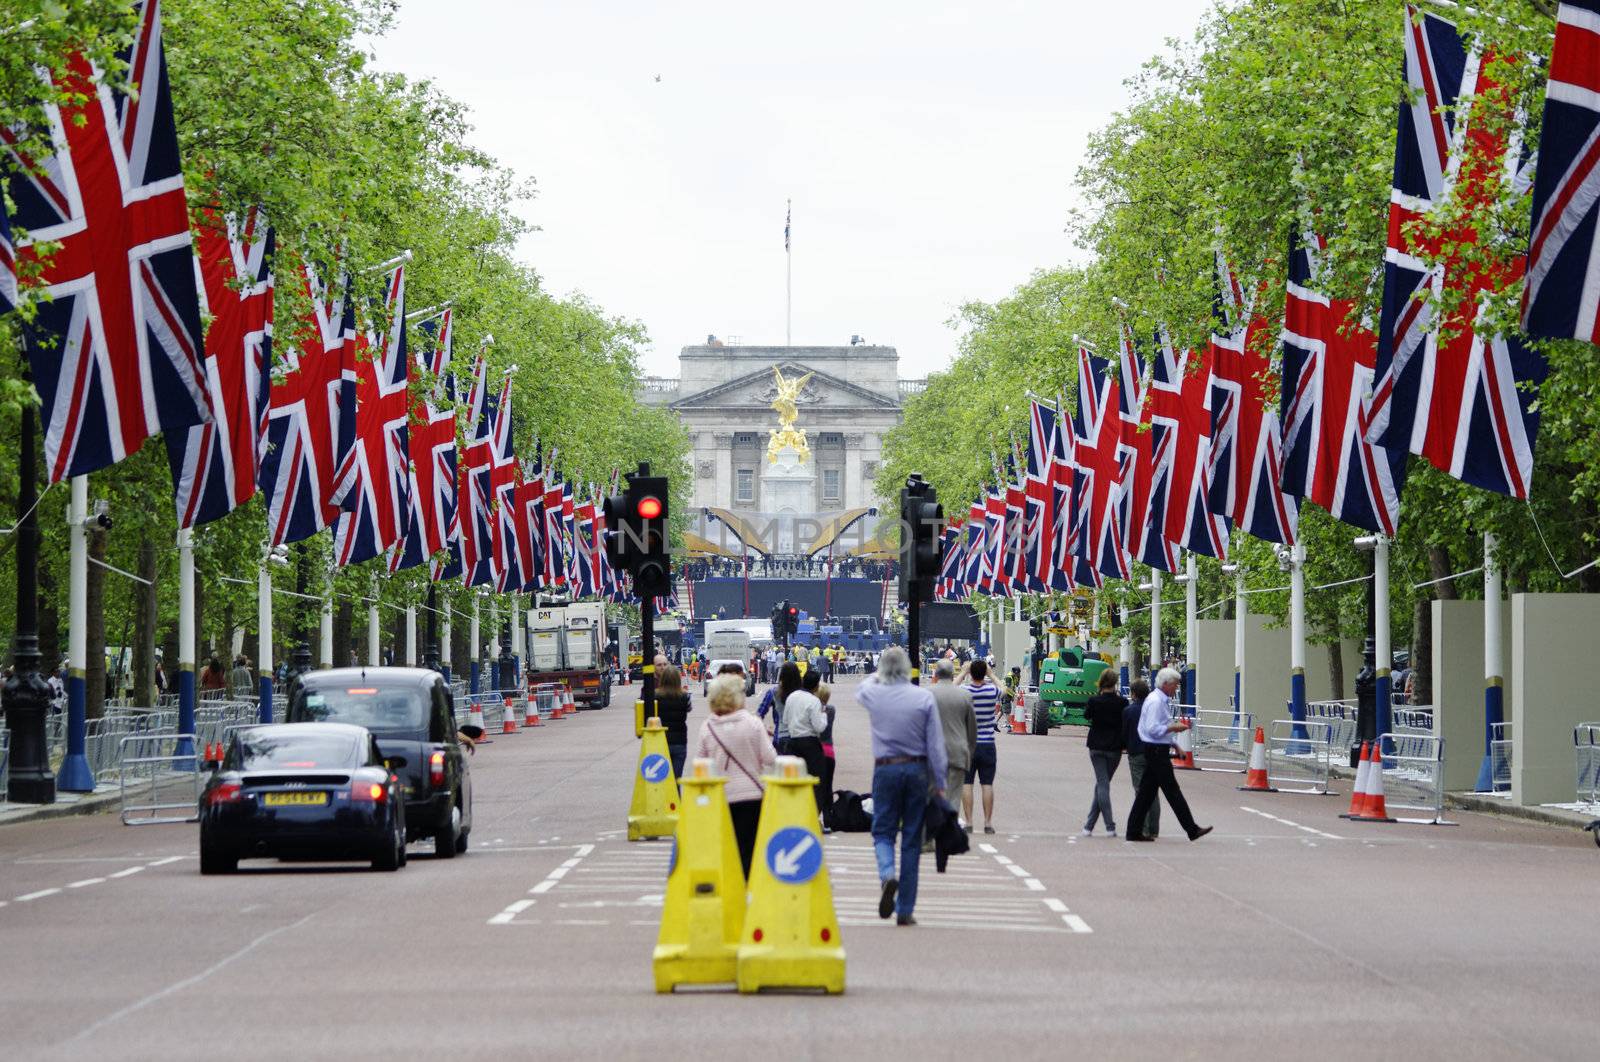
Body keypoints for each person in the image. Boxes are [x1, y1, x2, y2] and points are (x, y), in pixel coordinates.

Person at [857, 646, 947, 927]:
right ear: (908, 668)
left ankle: (887, 874)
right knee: (911, 839)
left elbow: (862, 686)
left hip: (885, 768)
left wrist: (880, 671)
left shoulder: (874, 694)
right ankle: (905, 908)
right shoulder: (923, 697)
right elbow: (935, 745)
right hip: (917, 768)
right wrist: (940, 781)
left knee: (882, 831)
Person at [694, 673, 776, 877]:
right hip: (752, 795)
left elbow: (699, 765)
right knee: (750, 851)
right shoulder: (753, 724)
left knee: (726, 850)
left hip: (720, 797)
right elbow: (770, 758)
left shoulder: (708, 727)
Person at [1126, 668, 1212, 842]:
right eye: (1175, 684)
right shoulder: (1157, 702)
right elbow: (1153, 729)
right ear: (1166, 684)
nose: (1176, 688)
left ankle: (1133, 830)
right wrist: (1174, 728)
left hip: (1156, 749)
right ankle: (1191, 829)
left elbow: (1159, 726)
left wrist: (1174, 744)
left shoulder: (1158, 700)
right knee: (1172, 791)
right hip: (1156, 751)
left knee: (1146, 794)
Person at [1081, 669, 1126, 837]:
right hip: (1114, 747)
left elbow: (1087, 715)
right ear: (1115, 683)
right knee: (1103, 784)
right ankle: (1108, 825)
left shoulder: (1094, 700)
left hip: (1096, 746)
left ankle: (1091, 826)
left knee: (1102, 784)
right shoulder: (1121, 703)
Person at [929, 659, 977, 816]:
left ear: (936, 674)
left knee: (931, 796)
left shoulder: (927, 694)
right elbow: (972, 731)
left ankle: (930, 836)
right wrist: (968, 753)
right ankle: (948, 833)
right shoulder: (965, 695)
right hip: (958, 751)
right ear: (952, 674)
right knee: (954, 798)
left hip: (933, 753)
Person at [960, 659, 1001, 834]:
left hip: (968, 743)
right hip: (987, 743)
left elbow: (951, 688)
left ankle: (969, 822)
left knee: (967, 783)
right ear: (984, 673)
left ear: (971, 673)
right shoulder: (992, 690)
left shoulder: (964, 691)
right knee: (987, 784)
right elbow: (1005, 689)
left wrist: (963, 673)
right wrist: (991, 674)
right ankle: (988, 822)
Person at [783, 669, 829, 814]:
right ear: (816, 686)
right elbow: (819, 727)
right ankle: (813, 813)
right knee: (817, 780)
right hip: (810, 744)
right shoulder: (814, 701)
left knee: (794, 780)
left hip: (792, 743)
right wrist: (824, 715)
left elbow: (785, 720)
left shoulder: (791, 697)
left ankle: (794, 810)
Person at [1122, 677, 1159, 839]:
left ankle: (1142, 828)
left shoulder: (1129, 711)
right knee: (1153, 792)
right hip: (1154, 753)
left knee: (1140, 791)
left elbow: (1125, 733)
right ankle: (1153, 827)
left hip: (1136, 753)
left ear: (1134, 694)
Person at [652, 663, 692, 782]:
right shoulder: (685, 697)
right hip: (680, 742)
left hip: (662, 741)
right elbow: (689, 709)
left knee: (663, 780)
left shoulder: (656, 696)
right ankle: (676, 800)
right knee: (676, 780)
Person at [816, 681, 837, 830]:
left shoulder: (813, 710)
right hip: (829, 751)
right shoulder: (831, 709)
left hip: (816, 750)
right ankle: (829, 819)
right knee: (828, 787)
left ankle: (815, 817)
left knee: (817, 788)